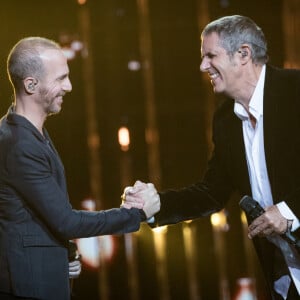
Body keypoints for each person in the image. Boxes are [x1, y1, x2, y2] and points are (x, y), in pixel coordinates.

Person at [124, 15, 300, 300]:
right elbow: (212, 193)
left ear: (243, 54)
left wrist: (290, 212)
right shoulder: (225, 119)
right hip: (285, 277)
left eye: (210, 56)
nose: (203, 66)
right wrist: (156, 205)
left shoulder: (295, 91)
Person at [0, 36, 160, 300]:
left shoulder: (26, 134)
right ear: (31, 84)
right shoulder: (19, 145)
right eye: (61, 78)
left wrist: (62, 254)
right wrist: (136, 214)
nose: (70, 87)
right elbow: (66, 221)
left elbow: (33, 217)